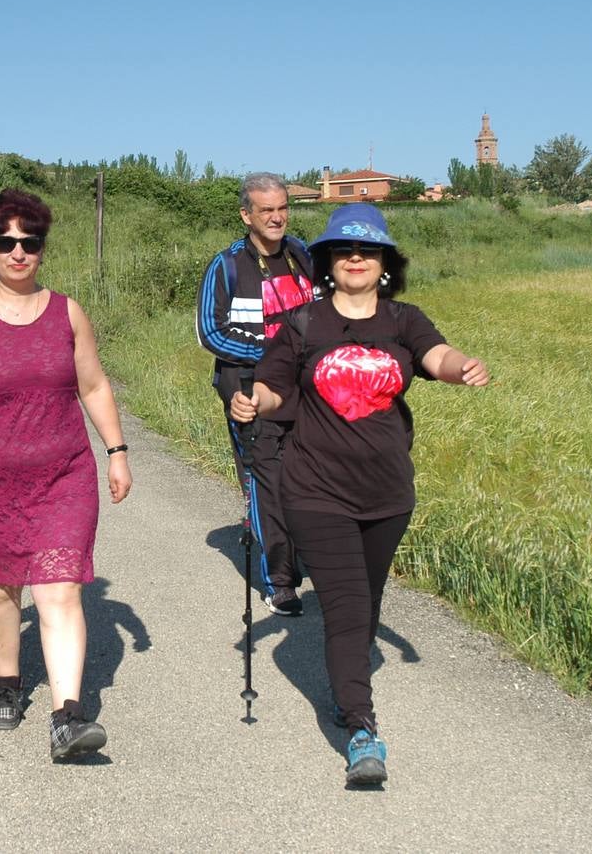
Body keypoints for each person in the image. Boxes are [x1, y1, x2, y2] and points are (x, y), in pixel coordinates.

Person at [230, 203, 488, 786]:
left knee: (366, 605)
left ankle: (348, 685)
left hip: (389, 495)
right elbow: (271, 387)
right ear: (326, 260)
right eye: (344, 249)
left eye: (367, 250)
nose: (355, 258)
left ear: (384, 264)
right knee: (347, 611)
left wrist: (460, 367)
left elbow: (435, 355)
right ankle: (361, 728)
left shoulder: (404, 319)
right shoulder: (301, 324)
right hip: (316, 491)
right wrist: (254, 403)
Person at [0, 188, 132, 762]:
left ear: (41, 249)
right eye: (6, 242)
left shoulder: (68, 312)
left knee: (59, 590)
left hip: (64, 474)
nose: (18, 253)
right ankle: (7, 682)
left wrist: (116, 449)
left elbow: (94, 385)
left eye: (29, 242)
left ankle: (68, 714)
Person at [195, 173, 313, 616]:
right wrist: (275, 352)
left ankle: (317, 555)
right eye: (267, 210)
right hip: (248, 392)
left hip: (305, 391)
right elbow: (210, 331)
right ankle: (279, 580)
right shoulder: (226, 265)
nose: (277, 217)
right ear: (247, 215)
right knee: (268, 482)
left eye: (282, 207)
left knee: (312, 478)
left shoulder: (304, 255)